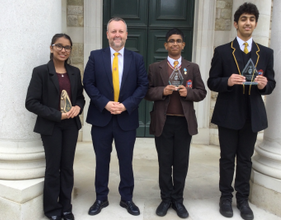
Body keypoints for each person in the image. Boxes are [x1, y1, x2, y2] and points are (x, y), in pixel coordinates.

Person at [207, 3, 276, 220]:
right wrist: (226, 81)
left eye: (252, 19)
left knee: (245, 159)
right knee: (227, 158)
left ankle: (243, 199)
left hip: (252, 116)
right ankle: (225, 197)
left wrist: (265, 84)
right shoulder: (222, 51)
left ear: (256, 24)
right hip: (228, 114)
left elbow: (272, 82)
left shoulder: (265, 53)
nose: (248, 23)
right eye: (244, 19)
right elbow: (212, 81)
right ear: (236, 24)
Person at [83, 17, 148, 216]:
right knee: (101, 160)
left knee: (126, 161)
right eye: (113, 31)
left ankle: (126, 198)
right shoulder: (95, 56)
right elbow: (88, 83)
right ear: (107, 34)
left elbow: (143, 85)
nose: (117, 35)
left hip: (126, 119)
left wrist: (126, 105)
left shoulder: (136, 59)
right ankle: (101, 197)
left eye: (121, 31)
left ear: (126, 35)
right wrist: (105, 103)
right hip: (101, 118)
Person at [145, 28, 206, 218]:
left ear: (183, 45)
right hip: (163, 122)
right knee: (164, 163)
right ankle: (165, 199)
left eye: (178, 41)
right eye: (171, 41)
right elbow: (146, 92)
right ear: (165, 45)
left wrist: (188, 93)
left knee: (181, 163)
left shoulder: (192, 67)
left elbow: (201, 92)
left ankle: (178, 200)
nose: (175, 44)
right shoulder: (156, 68)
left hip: (183, 123)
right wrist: (162, 91)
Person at [25, 33, 85, 220]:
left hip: (71, 126)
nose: (63, 50)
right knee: (53, 168)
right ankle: (51, 209)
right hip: (51, 127)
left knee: (67, 167)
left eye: (67, 47)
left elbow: (80, 98)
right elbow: (31, 102)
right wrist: (57, 115)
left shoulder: (74, 72)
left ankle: (66, 207)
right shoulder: (41, 72)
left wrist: (77, 107)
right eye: (59, 46)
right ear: (51, 48)